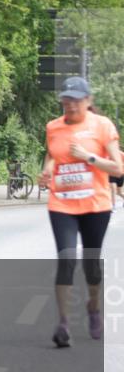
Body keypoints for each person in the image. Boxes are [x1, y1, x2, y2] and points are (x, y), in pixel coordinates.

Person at [37, 76, 122, 348]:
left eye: (75, 100)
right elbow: (52, 154)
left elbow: (117, 169)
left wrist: (88, 157)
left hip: (96, 205)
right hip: (62, 203)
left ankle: (93, 307)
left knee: (91, 267)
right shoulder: (53, 127)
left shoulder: (102, 126)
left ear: (88, 101)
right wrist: (47, 170)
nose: (70, 105)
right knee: (66, 259)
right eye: (66, 100)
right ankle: (63, 324)